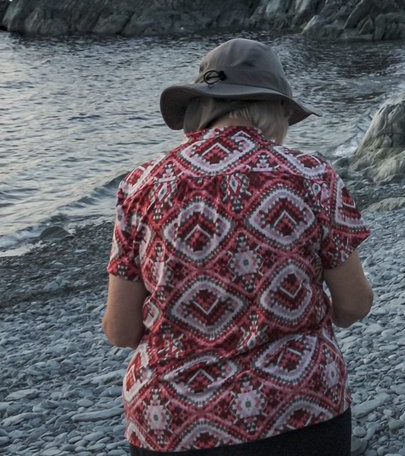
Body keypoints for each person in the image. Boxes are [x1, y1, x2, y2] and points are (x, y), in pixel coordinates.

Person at [102, 38, 373, 456]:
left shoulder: (141, 187)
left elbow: (120, 330)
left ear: (203, 108)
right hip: (301, 409)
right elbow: (354, 304)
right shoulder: (312, 176)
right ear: (275, 109)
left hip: (170, 421)